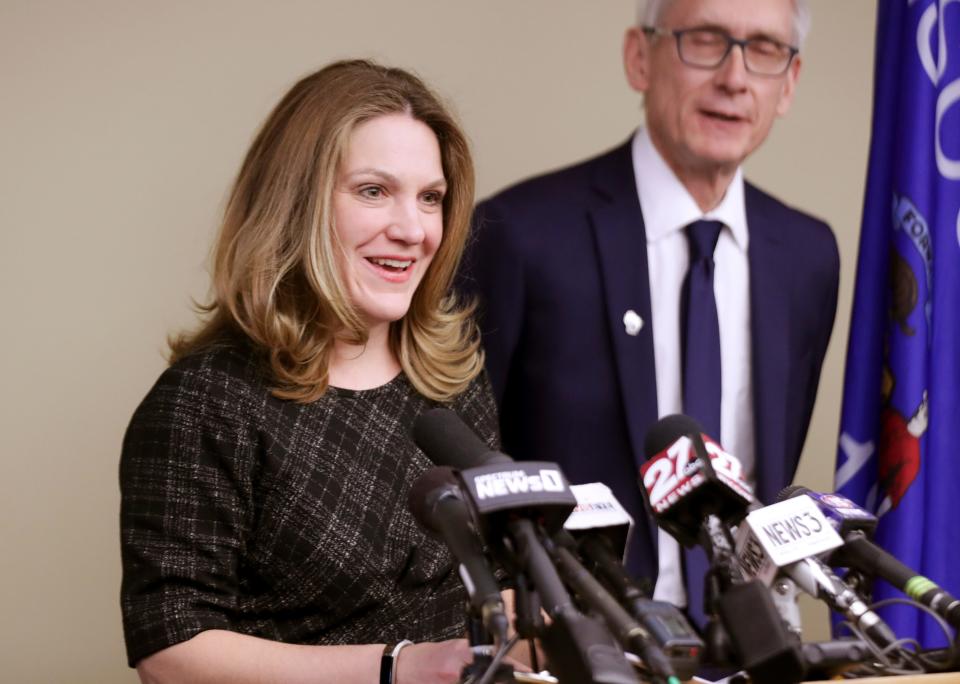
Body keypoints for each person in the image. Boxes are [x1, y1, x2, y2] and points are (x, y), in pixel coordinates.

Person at [460, 0, 839, 625]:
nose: (735, 77)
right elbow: (462, 471)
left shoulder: (808, 255)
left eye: (765, 49)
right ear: (640, 57)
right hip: (573, 644)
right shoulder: (522, 234)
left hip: (746, 644)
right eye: (706, 40)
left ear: (790, 83)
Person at [120, 59, 498, 684]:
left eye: (430, 198)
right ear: (294, 204)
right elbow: (172, 651)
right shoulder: (204, 401)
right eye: (374, 191)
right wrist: (397, 668)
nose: (413, 230)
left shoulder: (454, 382)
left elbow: (492, 586)